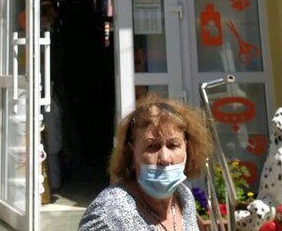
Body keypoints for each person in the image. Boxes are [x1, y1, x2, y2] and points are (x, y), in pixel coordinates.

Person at [78, 94, 212, 231]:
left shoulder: (183, 196)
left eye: (173, 145)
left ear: (187, 147)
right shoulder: (108, 216)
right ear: (131, 152)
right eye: (152, 146)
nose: (165, 158)